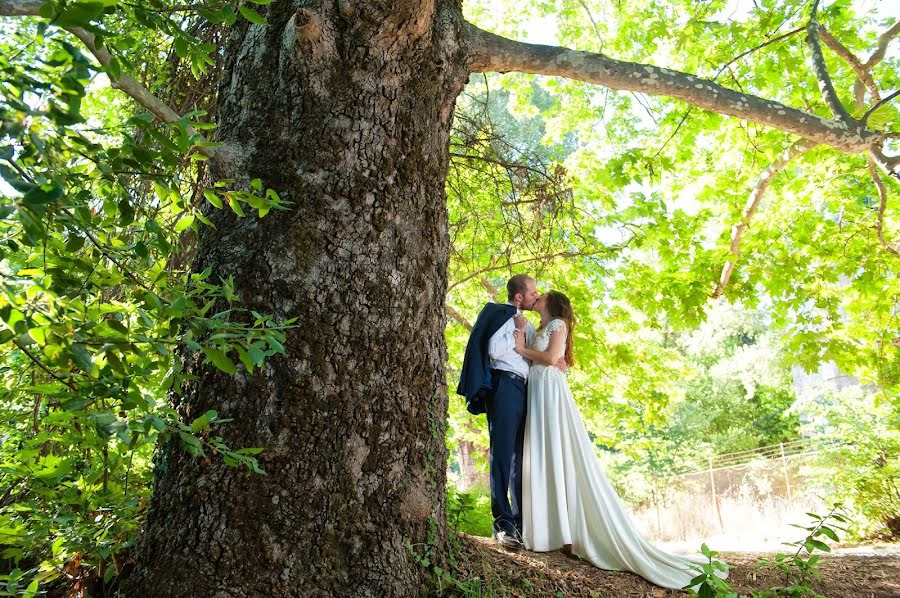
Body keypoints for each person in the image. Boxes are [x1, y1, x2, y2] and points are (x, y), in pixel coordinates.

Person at [512, 291, 728, 590]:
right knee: (542, 453)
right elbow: (554, 359)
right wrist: (527, 338)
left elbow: (550, 358)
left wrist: (523, 349)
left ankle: (567, 531)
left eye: (543, 294)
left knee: (557, 450)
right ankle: (548, 530)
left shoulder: (559, 324)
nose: (539, 296)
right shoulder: (540, 325)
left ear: (553, 302)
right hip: (539, 389)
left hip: (550, 393)